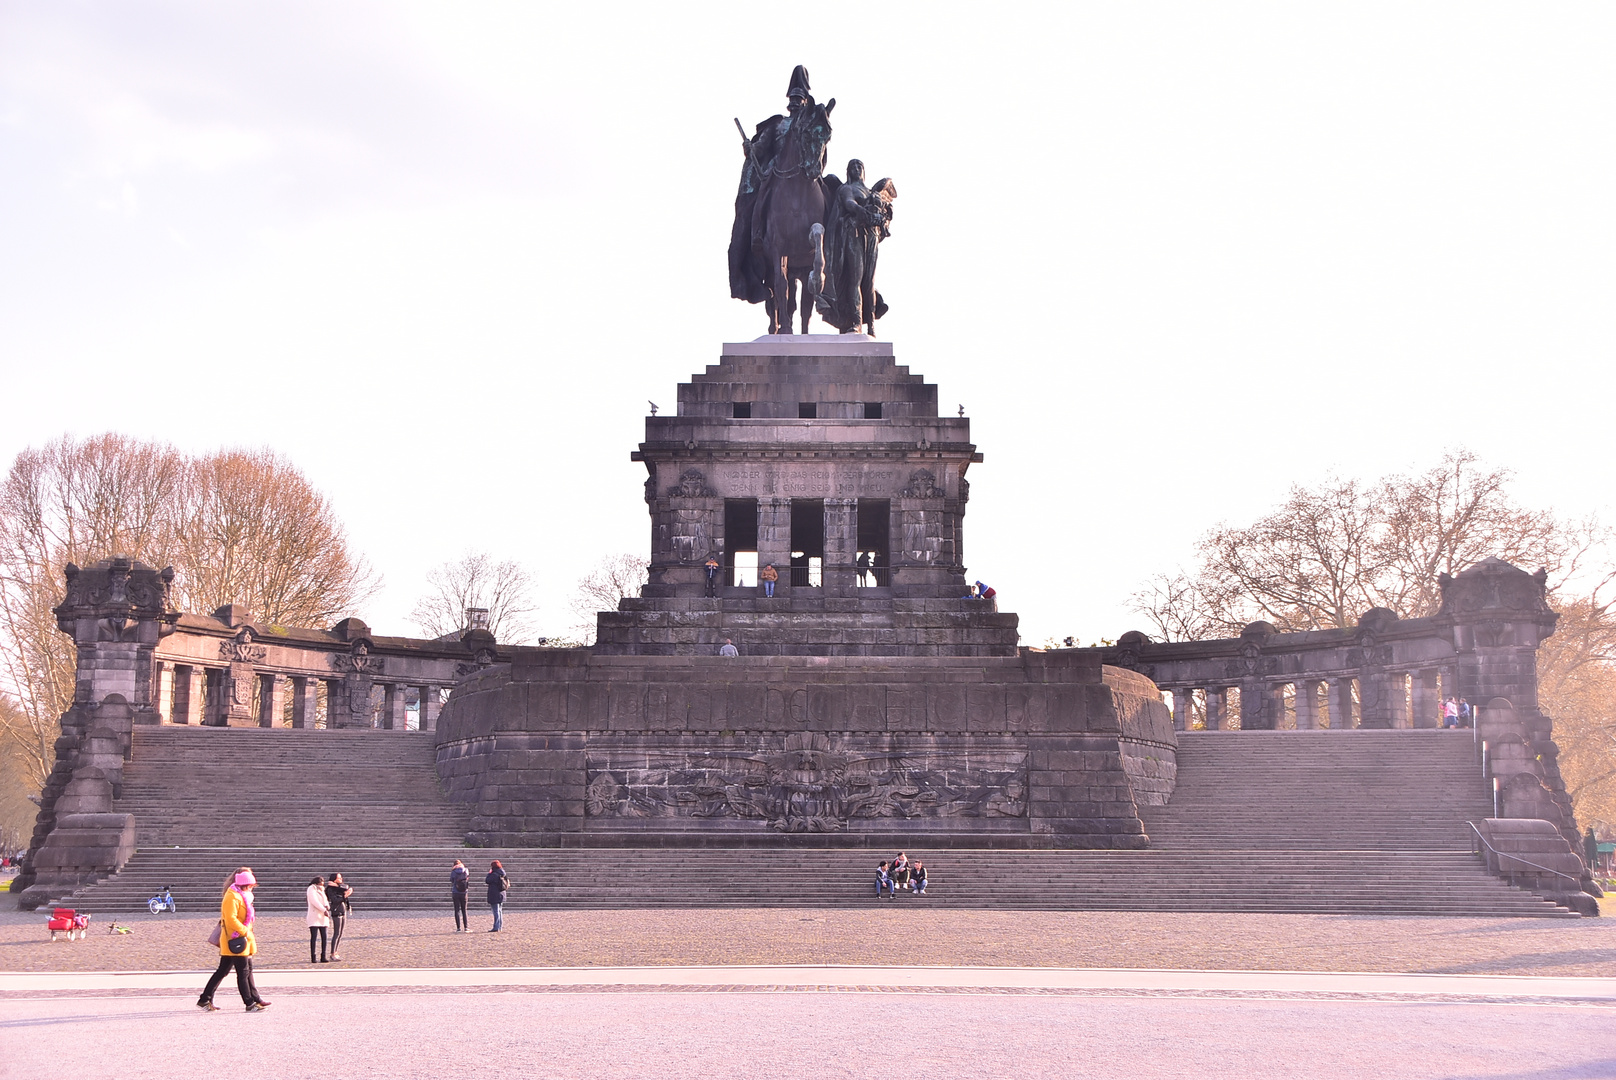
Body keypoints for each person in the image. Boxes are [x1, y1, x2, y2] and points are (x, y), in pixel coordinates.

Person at [197, 867, 269, 1012]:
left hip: (241, 939)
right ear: (246, 885)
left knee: (224, 970)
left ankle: (205, 999)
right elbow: (230, 919)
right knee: (243, 972)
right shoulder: (232, 896)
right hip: (235, 939)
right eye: (251, 886)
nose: (252, 888)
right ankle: (249, 1003)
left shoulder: (242, 896)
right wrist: (245, 932)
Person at [324, 872, 352, 960]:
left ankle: (336, 951)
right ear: (334, 879)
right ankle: (332, 953)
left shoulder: (339, 888)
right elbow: (335, 900)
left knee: (340, 933)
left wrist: (345, 893)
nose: (341, 879)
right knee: (336, 933)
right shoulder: (330, 889)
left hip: (343, 910)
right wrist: (345, 896)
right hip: (336, 911)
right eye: (339, 878)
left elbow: (346, 887)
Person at [305, 875, 330, 963]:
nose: (322, 886)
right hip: (314, 915)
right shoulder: (311, 889)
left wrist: (327, 906)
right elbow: (314, 901)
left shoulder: (322, 890)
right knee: (314, 937)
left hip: (323, 916)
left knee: (324, 937)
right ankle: (313, 956)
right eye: (320, 884)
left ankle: (323, 956)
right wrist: (324, 909)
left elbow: (325, 899)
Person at [486, 859, 510, 932]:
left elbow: (487, 880)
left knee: (496, 911)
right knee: (499, 911)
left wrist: (489, 873)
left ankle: (496, 927)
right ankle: (500, 926)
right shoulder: (503, 873)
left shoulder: (493, 874)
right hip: (502, 893)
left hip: (494, 894)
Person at [450, 859, 470, 932]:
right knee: (464, 910)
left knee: (457, 910)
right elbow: (467, 878)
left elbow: (451, 880)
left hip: (455, 891)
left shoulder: (453, 871)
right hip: (464, 892)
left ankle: (458, 928)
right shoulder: (465, 870)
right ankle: (466, 927)